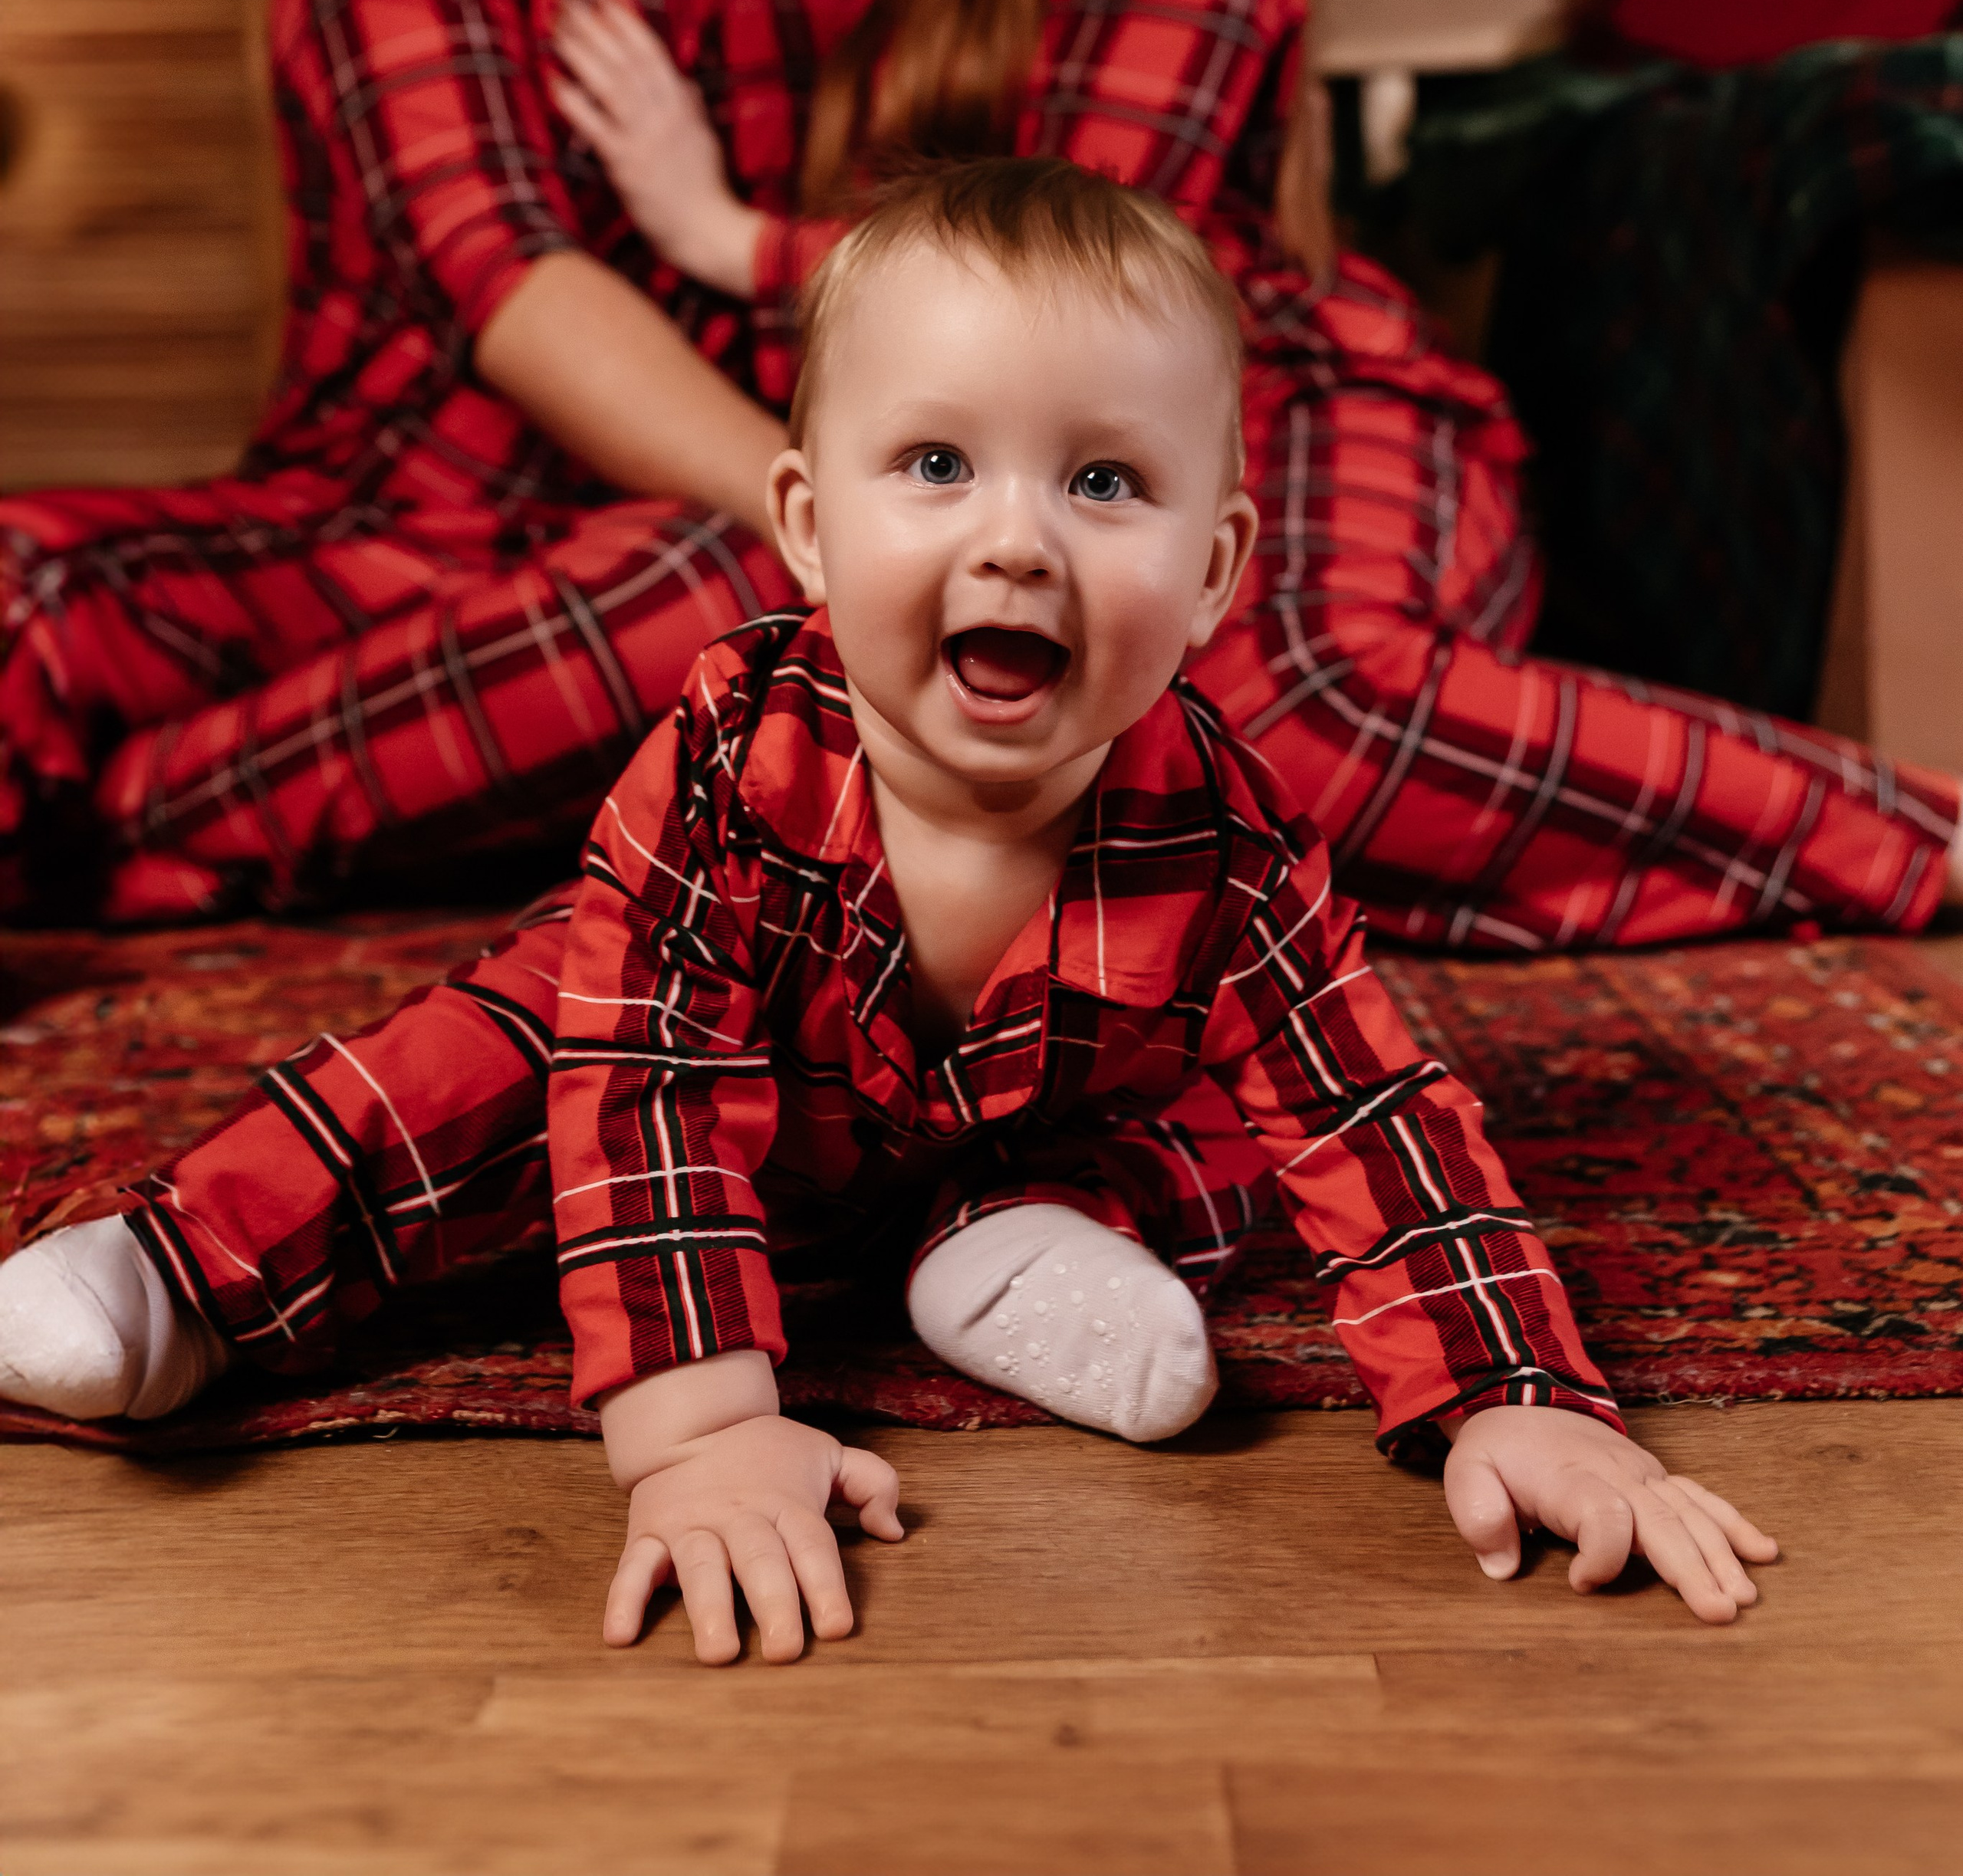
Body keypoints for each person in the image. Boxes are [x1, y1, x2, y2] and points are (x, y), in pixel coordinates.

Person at [49, 0, 1961, 951]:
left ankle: (1916, 835)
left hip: (1273, 396)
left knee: (1287, 723)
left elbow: (1072, 285)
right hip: (958, 474)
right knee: (1134, 760)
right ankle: (125, 833)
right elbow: (677, 305)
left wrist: (728, 235)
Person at [0, 163, 1776, 1653]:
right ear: (808, 526)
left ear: (1215, 570)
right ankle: (180, 1272)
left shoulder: (1225, 833)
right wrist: (699, 1435)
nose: (1015, 541)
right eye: (934, 466)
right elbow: (643, 1090)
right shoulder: (727, 762)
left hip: (1014, 1124)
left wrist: (1523, 1395)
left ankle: (1004, 1250)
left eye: (1102, 482)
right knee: (473, 1076)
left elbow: (1371, 1112)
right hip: (700, 1106)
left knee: (1234, 1138)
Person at [1, 0, 835, 927]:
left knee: (725, 596)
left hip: (639, 573)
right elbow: (509, 284)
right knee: (20, 582)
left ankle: (98, 842)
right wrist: (823, 513)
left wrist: (810, 530)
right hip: (357, 542)